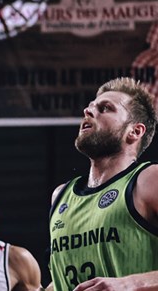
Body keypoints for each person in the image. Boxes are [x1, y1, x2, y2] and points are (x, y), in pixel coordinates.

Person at [46, 77, 158, 291]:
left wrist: (129, 283)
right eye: (89, 108)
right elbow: (63, 280)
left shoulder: (149, 180)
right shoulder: (61, 195)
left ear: (134, 131)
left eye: (105, 108)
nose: (88, 112)